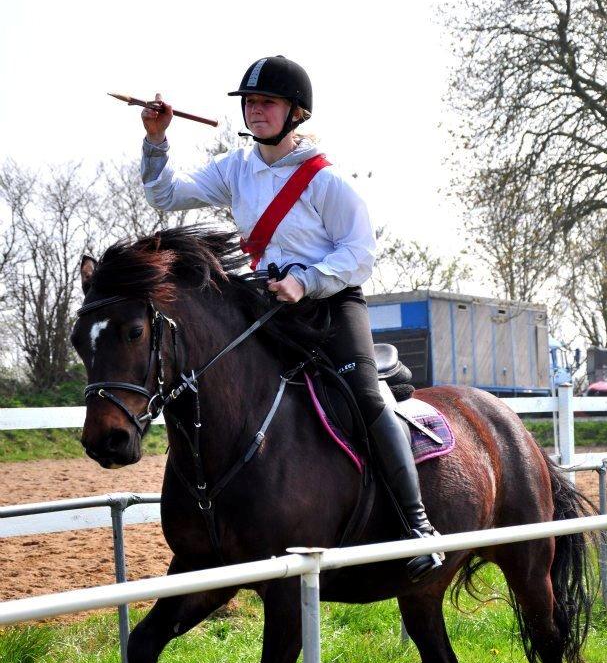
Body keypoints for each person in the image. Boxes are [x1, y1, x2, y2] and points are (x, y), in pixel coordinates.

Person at [140, 55, 442, 579]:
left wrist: (305, 282)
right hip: (267, 305)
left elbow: (360, 254)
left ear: (295, 113)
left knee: (367, 396)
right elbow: (164, 195)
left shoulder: (326, 182)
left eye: (267, 103)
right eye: (250, 103)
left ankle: (419, 528)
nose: (256, 112)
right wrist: (156, 140)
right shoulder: (236, 168)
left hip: (330, 305)